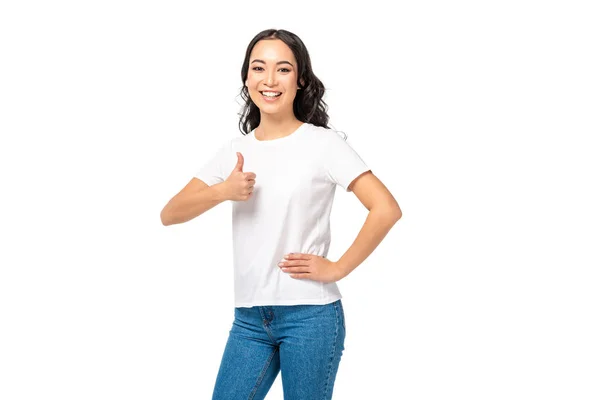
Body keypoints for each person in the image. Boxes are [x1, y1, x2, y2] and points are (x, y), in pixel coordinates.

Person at [160, 28, 402, 400]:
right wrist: (223, 191)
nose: (269, 80)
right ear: (246, 78)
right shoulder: (235, 151)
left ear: (300, 78)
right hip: (250, 320)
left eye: (283, 69)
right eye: (259, 68)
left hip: (311, 316)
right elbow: (170, 213)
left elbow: (385, 208)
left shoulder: (323, 144)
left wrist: (338, 268)